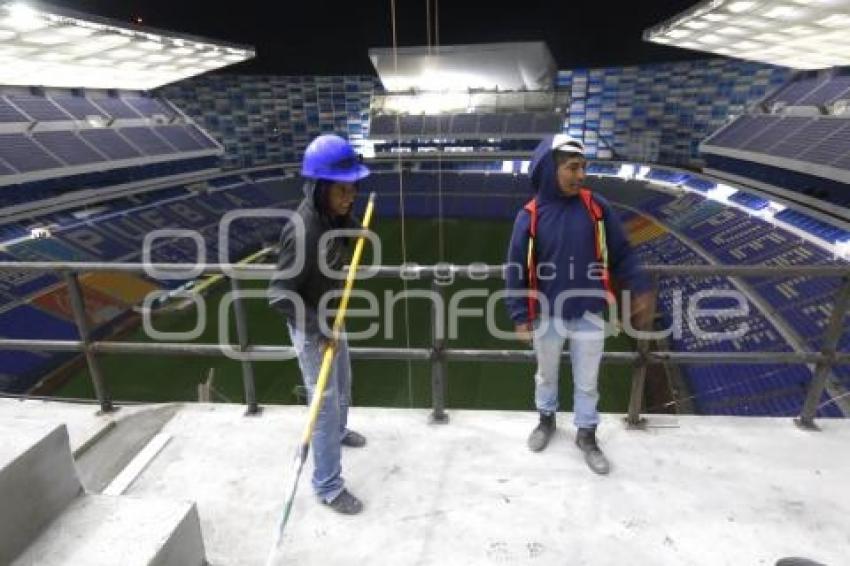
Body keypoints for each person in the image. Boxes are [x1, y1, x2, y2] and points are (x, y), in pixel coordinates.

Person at [504, 134, 653, 475]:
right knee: (546, 376)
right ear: (548, 169)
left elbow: (622, 252)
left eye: (584, 167)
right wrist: (519, 316)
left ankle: (587, 434)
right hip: (547, 315)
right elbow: (517, 270)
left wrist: (640, 286)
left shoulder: (597, 208)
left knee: (588, 381)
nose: (581, 175)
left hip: (589, 312)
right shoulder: (530, 216)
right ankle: (546, 421)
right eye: (573, 168)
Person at [268, 134, 369, 514]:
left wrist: (354, 225)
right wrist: (318, 327)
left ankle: (340, 433)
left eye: (353, 190)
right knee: (323, 405)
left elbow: (343, 226)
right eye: (342, 192)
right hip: (311, 325)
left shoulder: (332, 215)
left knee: (344, 381)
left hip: (331, 316)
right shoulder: (302, 231)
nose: (350, 199)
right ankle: (327, 486)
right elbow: (279, 294)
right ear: (319, 188)